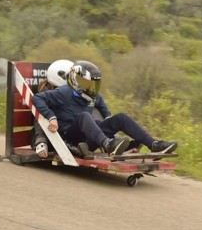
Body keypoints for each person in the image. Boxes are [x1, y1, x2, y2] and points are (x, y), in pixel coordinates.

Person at [32, 60, 178, 158]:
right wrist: (52, 117)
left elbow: (101, 104)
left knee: (120, 117)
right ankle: (109, 145)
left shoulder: (91, 96)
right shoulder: (63, 92)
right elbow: (37, 98)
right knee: (85, 116)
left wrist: (109, 120)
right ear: (76, 82)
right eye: (88, 84)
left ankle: (153, 144)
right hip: (69, 138)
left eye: (94, 85)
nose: (92, 89)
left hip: (87, 140)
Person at [31, 59, 96, 160]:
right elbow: (39, 118)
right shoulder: (50, 94)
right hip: (48, 137)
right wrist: (41, 141)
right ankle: (75, 149)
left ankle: (78, 148)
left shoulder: (69, 94)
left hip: (64, 133)